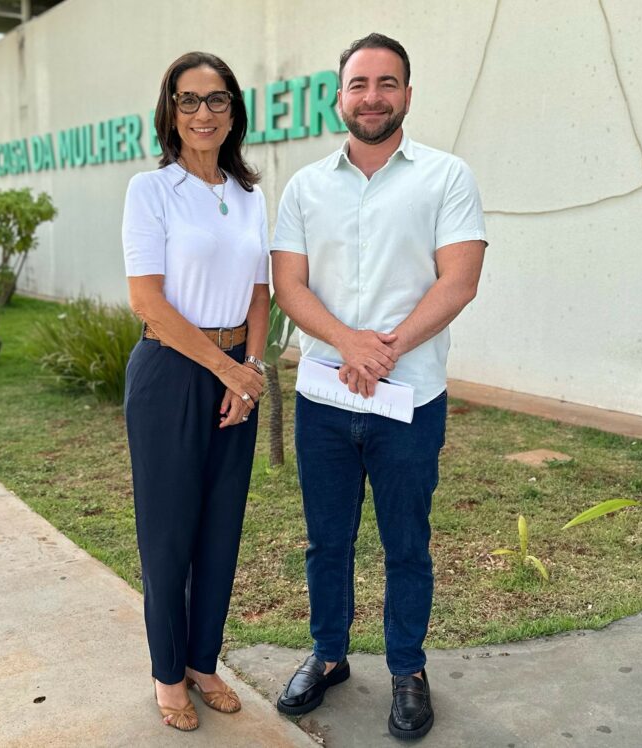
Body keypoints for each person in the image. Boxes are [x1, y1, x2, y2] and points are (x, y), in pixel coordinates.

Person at [271, 33, 488, 741]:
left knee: (407, 545)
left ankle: (407, 669)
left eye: (386, 83)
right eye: (359, 84)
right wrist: (347, 342)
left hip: (411, 399)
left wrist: (385, 348)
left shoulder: (447, 177)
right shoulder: (305, 186)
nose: (372, 97)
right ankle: (330, 656)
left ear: (407, 95)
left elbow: (459, 280)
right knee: (326, 542)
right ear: (340, 96)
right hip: (324, 404)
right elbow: (289, 284)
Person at [122, 51, 270, 732]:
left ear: (233, 110)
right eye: (188, 100)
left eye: (216, 100)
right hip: (172, 373)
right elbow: (148, 302)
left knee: (220, 529)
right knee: (169, 532)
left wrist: (254, 368)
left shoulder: (248, 194)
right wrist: (227, 368)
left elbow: (261, 290)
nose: (203, 113)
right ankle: (166, 672)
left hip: (238, 372)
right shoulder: (150, 192)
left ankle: (204, 661)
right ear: (170, 112)